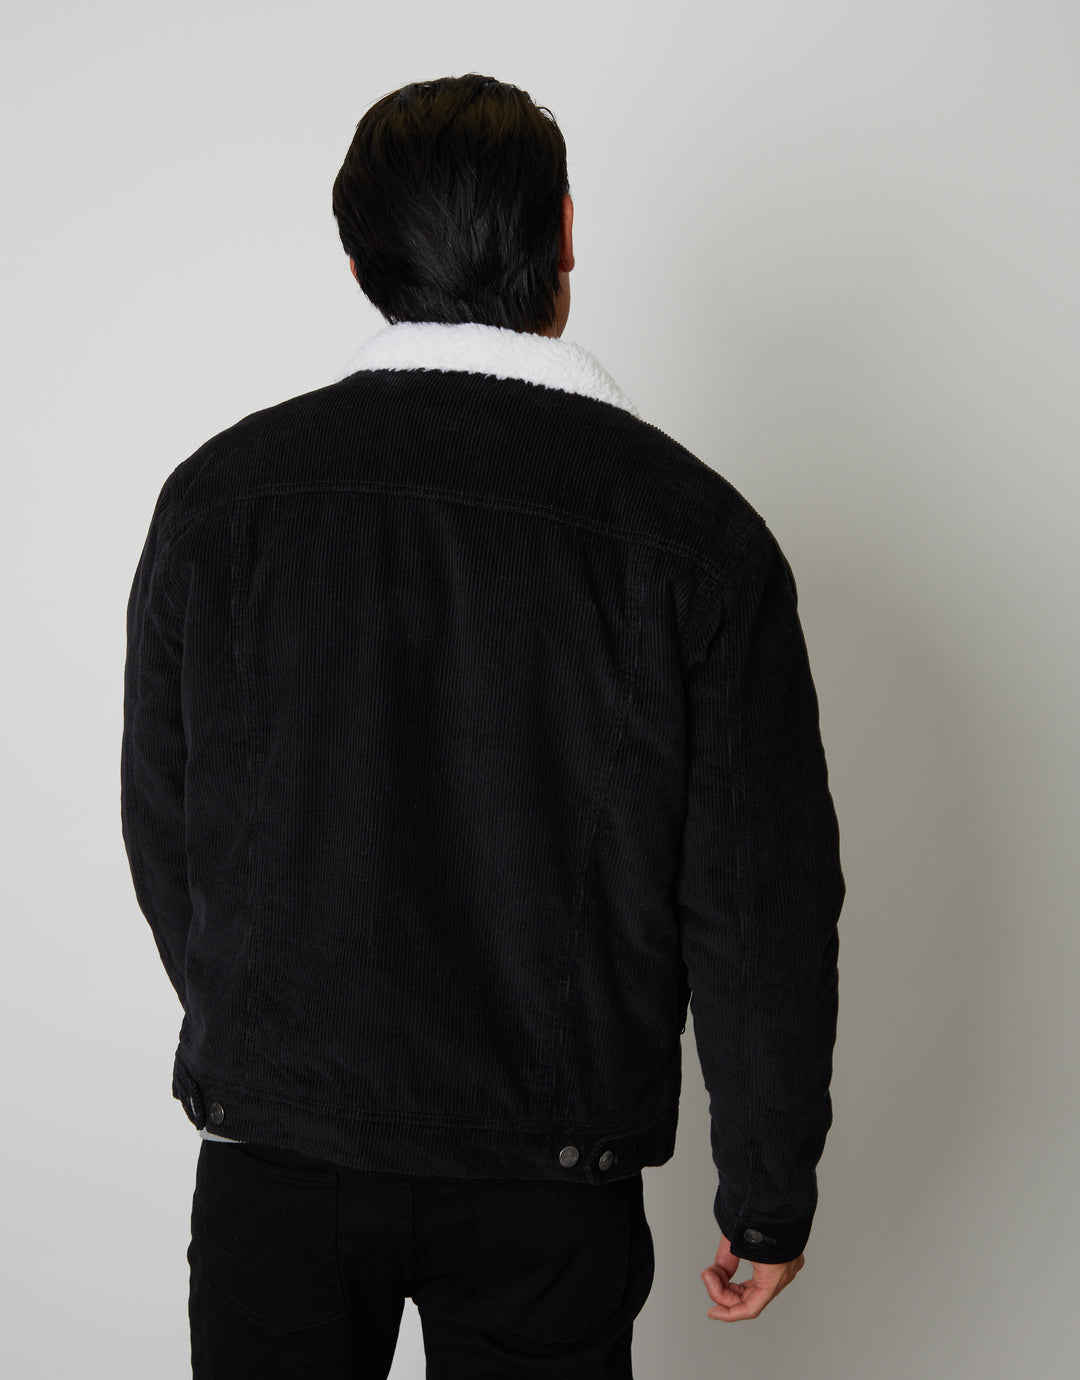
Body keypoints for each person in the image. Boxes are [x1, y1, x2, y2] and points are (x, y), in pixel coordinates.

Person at [121, 73, 844, 1378]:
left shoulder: (220, 503)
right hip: (547, 1178)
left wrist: (275, 1043)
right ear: (563, 235)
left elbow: (166, 828)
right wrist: (766, 1193)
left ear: (360, 263)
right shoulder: (696, 536)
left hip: (276, 1161)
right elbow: (758, 901)